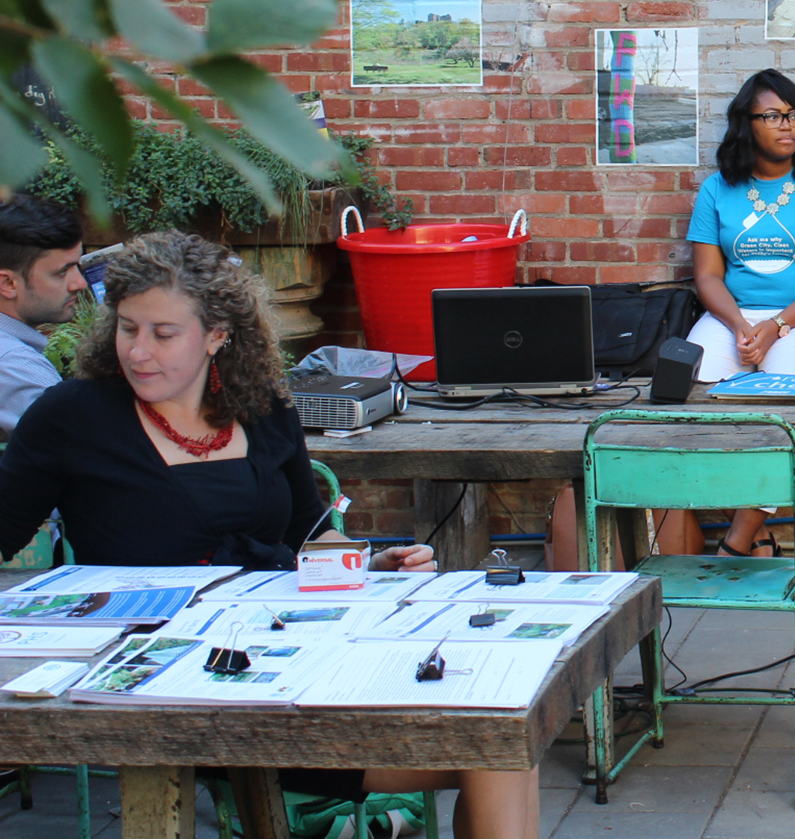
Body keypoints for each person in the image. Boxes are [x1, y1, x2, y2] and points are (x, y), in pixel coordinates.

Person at [0, 232, 538, 839]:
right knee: (494, 749)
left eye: (163, 333)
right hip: (162, 688)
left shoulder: (262, 407)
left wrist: (365, 564)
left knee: (504, 730)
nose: (139, 352)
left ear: (217, 335)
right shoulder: (72, 416)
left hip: (288, 660)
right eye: (128, 329)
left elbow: (308, 534)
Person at [685, 70, 795, 557]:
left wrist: (777, 325)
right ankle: (757, 527)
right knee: (688, 390)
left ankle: (738, 540)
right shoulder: (718, 190)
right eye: (774, 115)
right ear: (746, 123)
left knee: (784, 399)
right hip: (732, 317)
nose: (789, 126)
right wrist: (742, 325)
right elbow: (707, 277)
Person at [0, 195, 87, 436]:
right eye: (62, 272)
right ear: (8, 283)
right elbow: (93, 448)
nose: (79, 283)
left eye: (76, 266)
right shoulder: (16, 367)